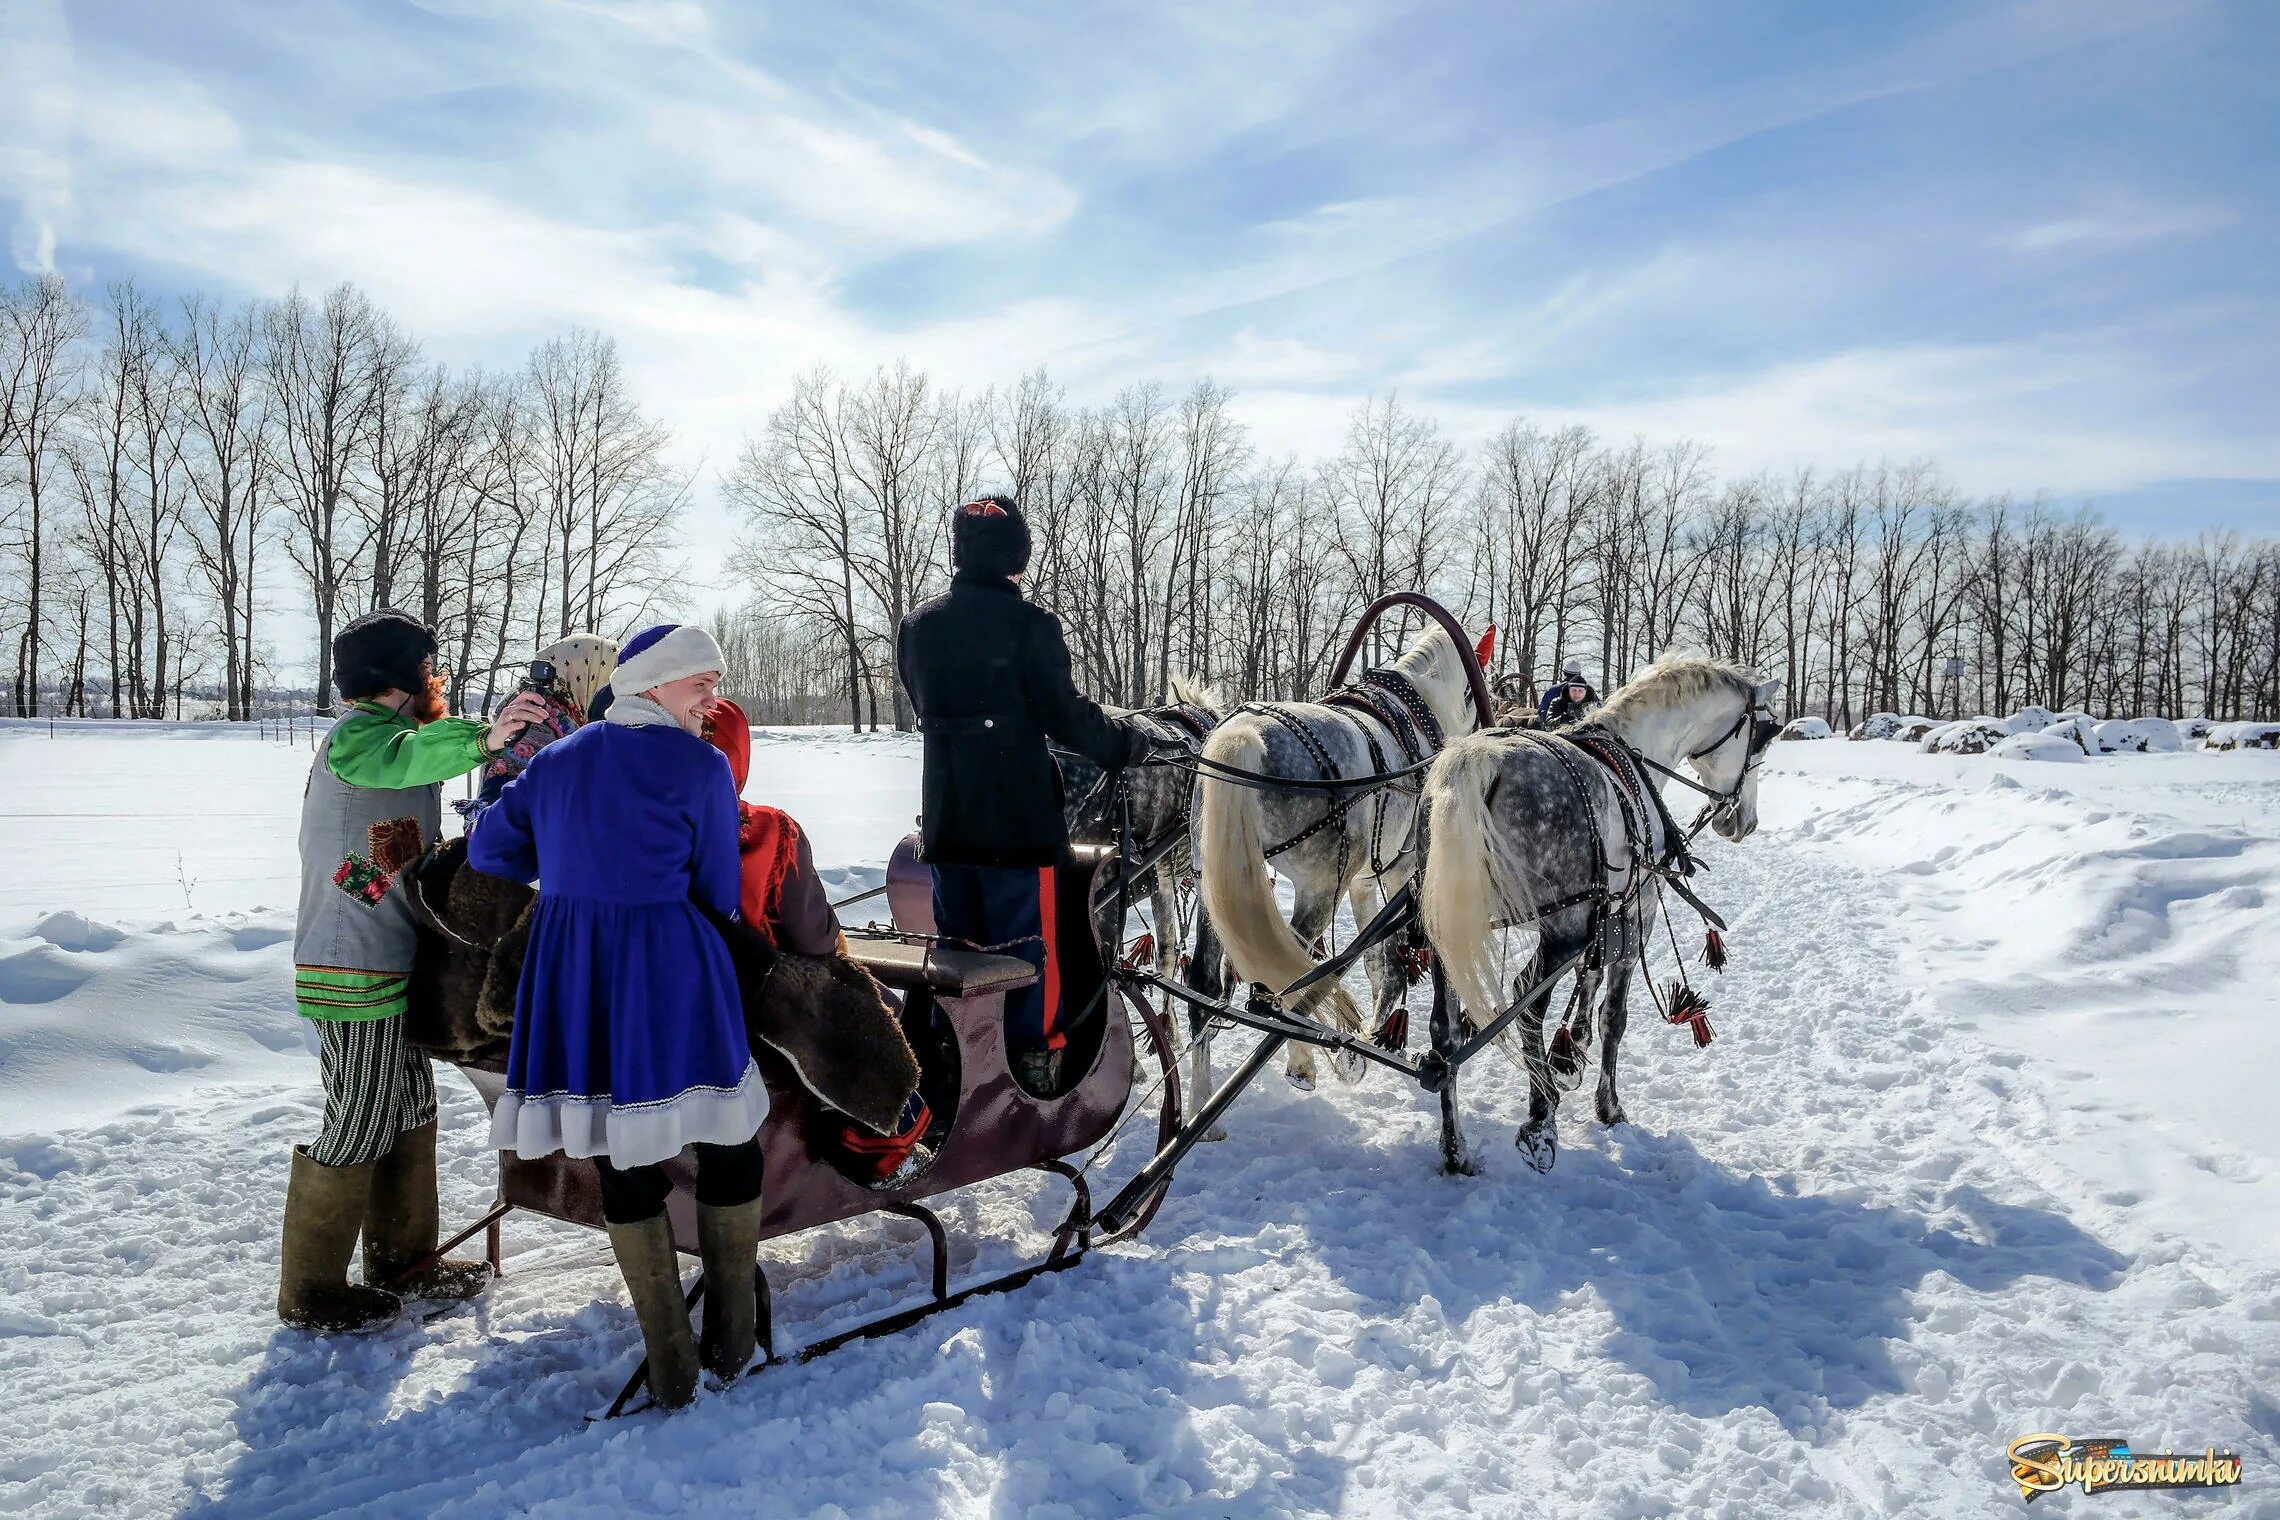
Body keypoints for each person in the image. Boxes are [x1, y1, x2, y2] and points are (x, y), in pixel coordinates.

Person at [467, 623, 764, 1410]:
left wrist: (563, 850)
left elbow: (491, 848)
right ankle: (732, 1340)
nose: (711, 699)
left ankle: (671, 1364)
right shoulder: (699, 766)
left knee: (618, 1148)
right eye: (701, 682)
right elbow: (719, 891)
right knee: (729, 1139)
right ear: (657, 684)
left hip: (574, 971)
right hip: (670, 966)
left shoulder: (560, 758)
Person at [280, 609, 553, 1333]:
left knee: (409, 1109)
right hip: (349, 968)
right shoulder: (362, 740)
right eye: (428, 669)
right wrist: (482, 737)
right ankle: (310, 1292)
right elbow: (407, 758)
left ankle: (406, 1262)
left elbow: (392, 849)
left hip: (391, 963)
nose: (436, 681)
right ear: (400, 674)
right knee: (363, 1113)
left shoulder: (392, 745)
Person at [896, 494, 1149, 1094]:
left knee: (958, 948)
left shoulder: (919, 627)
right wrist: (1123, 743)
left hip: (949, 826)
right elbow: (1063, 716)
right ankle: (1036, 1060)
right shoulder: (1030, 625)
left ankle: (955, 1059)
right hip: (1019, 827)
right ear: (1018, 557)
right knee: (1030, 947)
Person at [699, 700, 932, 1183]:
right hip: (753, 994)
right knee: (867, 1008)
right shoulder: (767, 829)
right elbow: (814, 937)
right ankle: (885, 1147)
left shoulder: (631, 829)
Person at [1537, 657, 1601, 727]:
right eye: (1574, 690)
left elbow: (1543, 710)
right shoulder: (1590, 693)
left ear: (1565, 673)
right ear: (1579, 674)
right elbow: (1599, 710)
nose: (1577, 693)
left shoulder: (1552, 690)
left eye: (1580, 691)